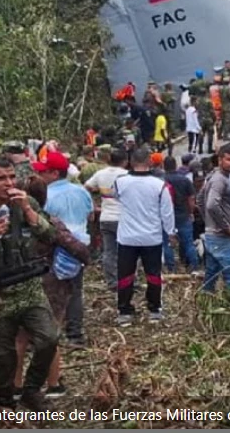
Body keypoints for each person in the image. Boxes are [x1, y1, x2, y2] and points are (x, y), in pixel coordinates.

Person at [0, 157, 62, 410]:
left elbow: (50, 235)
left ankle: (31, 390)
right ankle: (4, 405)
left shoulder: (26, 203)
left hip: (28, 287)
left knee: (49, 338)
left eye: (11, 177)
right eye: (0, 178)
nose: (8, 183)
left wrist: (28, 210)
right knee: (1, 356)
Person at [32, 152, 94, 349]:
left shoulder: (46, 196)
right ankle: (75, 334)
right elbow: (91, 216)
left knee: (50, 291)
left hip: (55, 248)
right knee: (75, 290)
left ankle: (49, 334)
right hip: (78, 247)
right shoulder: (82, 191)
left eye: (43, 171)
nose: (40, 175)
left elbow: (43, 224)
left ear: (54, 173)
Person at [113, 149, 176, 326]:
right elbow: (167, 212)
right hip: (152, 237)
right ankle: (154, 310)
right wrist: (171, 232)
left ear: (131, 162)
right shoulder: (160, 185)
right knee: (153, 274)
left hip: (127, 237)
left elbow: (116, 197)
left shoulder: (120, 182)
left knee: (125, 275)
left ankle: (124, 311)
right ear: (150, 162)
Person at [200, 145, 230, 300]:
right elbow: (211, 204)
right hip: (222, 237)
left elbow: (200, 200)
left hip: (213, 235)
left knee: (212, 272)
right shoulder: (219, 180)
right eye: (229, 159)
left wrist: (209, 223)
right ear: (220, 160)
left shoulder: (214, 177)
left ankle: (206, 302)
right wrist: (225, 227)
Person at [84, 150, 128, 291]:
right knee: (127, 251)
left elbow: (86, 187)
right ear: (125, 161)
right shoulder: (127, 175)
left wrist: (92, 205)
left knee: (109, 251)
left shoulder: (100, 174)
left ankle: (112, 281)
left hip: (106, 218)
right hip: (124, 219)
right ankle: (125, 280)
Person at [162, 156, 199, 273]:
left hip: (166, 216)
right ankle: (193, 265)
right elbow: (191, 198)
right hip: (183, 215)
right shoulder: (184, 180)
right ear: (176, 165)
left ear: (163, 166)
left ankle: (171, 267)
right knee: (188, 242)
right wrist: (191, 212)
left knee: (167, 243)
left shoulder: (161, 181)